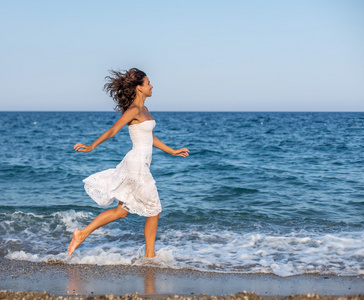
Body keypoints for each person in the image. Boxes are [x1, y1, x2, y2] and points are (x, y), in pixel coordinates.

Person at [68, 68, 189, 258]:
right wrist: (92, 146)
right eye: (148, 83)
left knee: (121, 211)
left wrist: (172, 151)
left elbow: (150, 137)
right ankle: (150, 257)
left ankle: (81, 233)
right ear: (139, 88)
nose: (151, 86)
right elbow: (113, 130)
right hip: (136, 165)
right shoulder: (133, 110)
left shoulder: (145, 110)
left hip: (140, 164)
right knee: (154, 210)